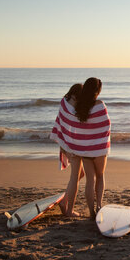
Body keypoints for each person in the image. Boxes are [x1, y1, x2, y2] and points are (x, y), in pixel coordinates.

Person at [51, 77, 111, 219]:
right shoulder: (99, 105)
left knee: (88, 180)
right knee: (100, 177)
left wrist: (69, 144)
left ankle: (90, 213)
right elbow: (106, 125)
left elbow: (70, 123)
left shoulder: (78, 106)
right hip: (97, 149)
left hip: (80, 149)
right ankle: (98, 207)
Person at [54, 83, 83, 217]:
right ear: (74, 95)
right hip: (71, 146)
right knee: (74, 176)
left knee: (80, 174)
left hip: (68, 144)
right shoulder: (70, 108)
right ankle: (69, 210)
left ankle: (65, 200)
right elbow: (64, 125)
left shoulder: (65, 103)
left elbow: (62, 124)